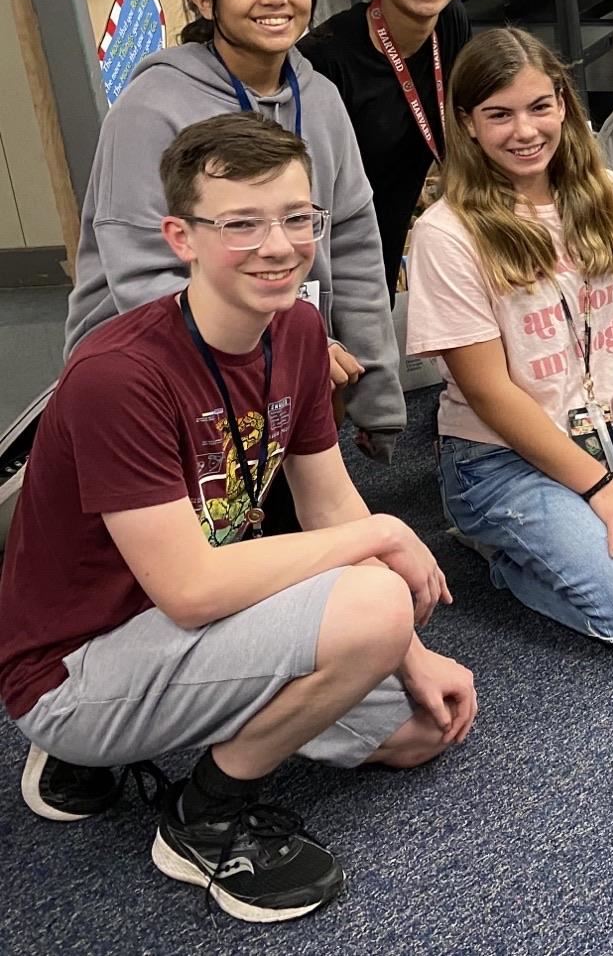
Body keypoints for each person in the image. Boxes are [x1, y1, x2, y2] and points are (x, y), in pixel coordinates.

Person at [0, 115, 475, 922]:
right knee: (372, 601)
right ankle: (205, 816)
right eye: (241, 224)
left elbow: (327, 499)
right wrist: (385, 547)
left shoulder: (295, 327)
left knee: (416, 730)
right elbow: (190, 590)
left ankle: (147, 731)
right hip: (75, 664)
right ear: (181, 237)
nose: (279, 245)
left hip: (190, 614)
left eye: (297, 219)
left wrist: (410, 656)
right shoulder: (119, 376)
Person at [405, 28, 613, 644]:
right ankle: (502, 555)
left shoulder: (609, 194)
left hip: (612, 427)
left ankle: (592, 526)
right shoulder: (447, 233)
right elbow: (488, 393)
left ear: (563, 103)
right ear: (467, 124)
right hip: (500, 457)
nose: (525, 130)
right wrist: (600, 491)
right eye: (499, 115)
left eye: (540, 107)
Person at [63, 0, 404, 453]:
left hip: (285, 355)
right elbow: (143, 275)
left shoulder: (319, 98)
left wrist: (379, 398)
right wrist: (284, 351)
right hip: (150, 362)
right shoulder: (153, 108)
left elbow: (354, 243)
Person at [299, 0, 472, 286]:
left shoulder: (450, 21)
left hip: (394, 213)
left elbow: (460, 113)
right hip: (338, 237)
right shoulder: (325, 59)